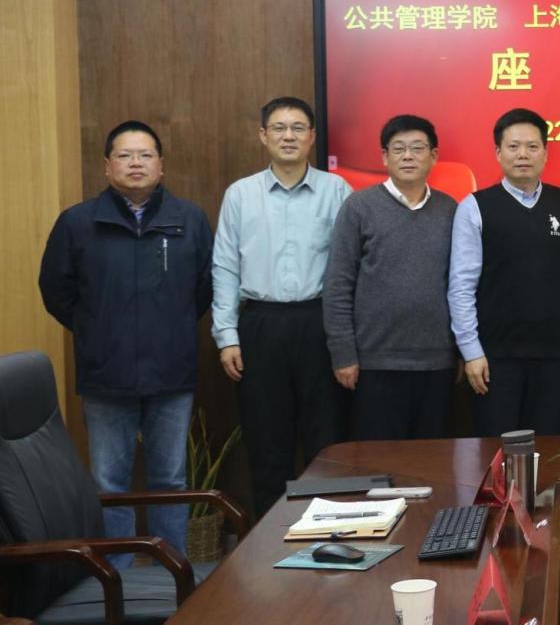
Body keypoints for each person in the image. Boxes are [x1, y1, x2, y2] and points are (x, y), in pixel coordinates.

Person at [38, 120, 212, 564]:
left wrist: (169, 328)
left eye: (145, 155)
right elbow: (55, 291)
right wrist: (97, 330)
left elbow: (203, 290)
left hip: (171, 373)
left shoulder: (188, 219)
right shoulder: (77, 222)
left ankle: (174, 572)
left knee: (170, 481)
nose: (136, 163)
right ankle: (114, 576)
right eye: (125, 155)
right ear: (107, 166)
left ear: (161, 165)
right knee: (109, 483)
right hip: (106, 375)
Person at [212, 96, 353, 517]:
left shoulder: (336, 191)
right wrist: (227, 336)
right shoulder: (241, 194)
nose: (288, 136)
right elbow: (224, 267)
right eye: (278, 128)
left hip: (319, 323)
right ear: (263, 136)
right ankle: (270, 542)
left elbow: (351, 268)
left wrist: (347, 340)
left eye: (297, 128)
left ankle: (331, 532)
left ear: (312, 137)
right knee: (266, 441)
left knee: (326, 440)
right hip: (261, 325)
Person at [323, 114, 459, 440]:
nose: (408, 156)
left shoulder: (450, 210)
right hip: (374, 363)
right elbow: (338, 285)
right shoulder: (359, 207)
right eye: (398, 148)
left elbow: (461, 286)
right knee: (379, 459)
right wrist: (343, 354)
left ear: (434, 156)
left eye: (417, 148)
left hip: (436, 363)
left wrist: (459, 353)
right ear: (384, 157)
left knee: (431, 459)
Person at [448, 108, 560, 436]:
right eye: (513, 146)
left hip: (553, 354)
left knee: (547, 447)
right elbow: (461, 286)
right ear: (498, 153)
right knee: (497, 449)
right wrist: (471, 352)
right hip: (495, 357)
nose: (523, 155)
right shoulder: (475, 206)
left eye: (532, 147)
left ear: (545, 152)